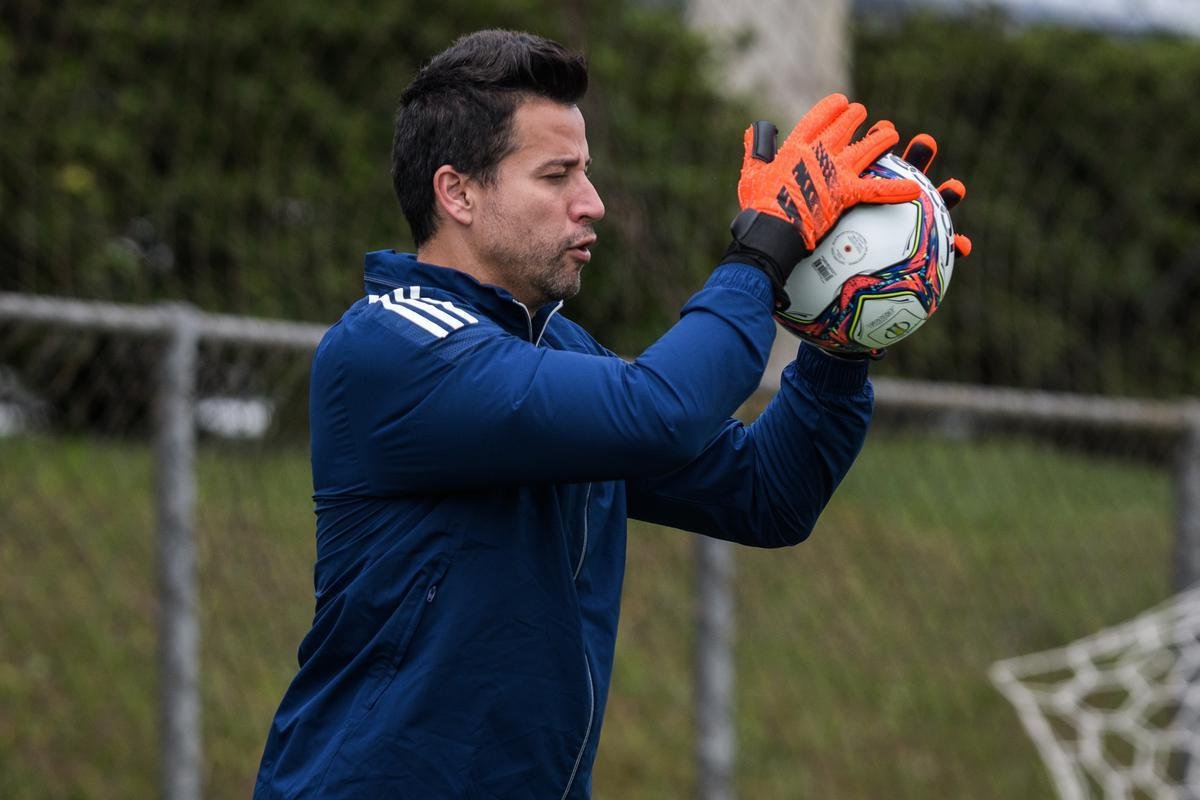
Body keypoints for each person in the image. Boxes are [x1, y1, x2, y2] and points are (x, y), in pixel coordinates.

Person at [254, 28, 968, 799]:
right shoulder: (393, 349)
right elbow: (658, 412)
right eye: (556, 175)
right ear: (456, 192)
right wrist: (764, 252)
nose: (590, 202)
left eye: (585, 173)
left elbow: (768, 494)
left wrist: (847, 325)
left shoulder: (557, 351)